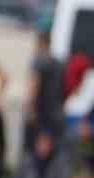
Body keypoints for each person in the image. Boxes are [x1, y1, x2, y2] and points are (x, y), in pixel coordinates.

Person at [26, 17, 67, 145]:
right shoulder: (59, 63)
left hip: (42, 113)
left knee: (37, 148)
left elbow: (34, 85)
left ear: (40, 43)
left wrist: (31, 110)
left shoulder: (39, 62)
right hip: (57, 112)